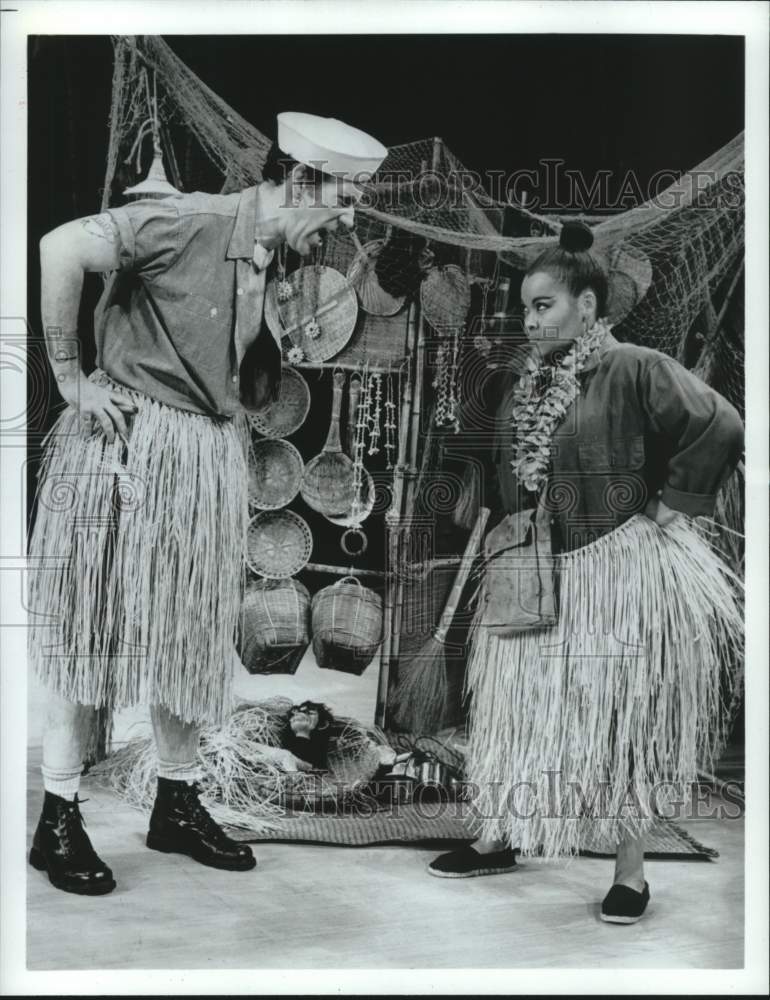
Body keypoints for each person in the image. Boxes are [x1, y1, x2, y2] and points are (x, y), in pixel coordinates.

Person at [27, 111, 387, 895]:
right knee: (91, 624)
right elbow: (60, 246)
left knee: (186, 629)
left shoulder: (270, 256)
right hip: (126, 442)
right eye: (346, 198)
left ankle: (176, 800)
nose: (349, 218)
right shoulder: (185, 220)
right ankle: (58, 816)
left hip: (203, 453)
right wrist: (68, 379)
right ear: (301, 181)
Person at [428, 221, 744, 924]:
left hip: (614, 573)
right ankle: (500, 833)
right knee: (513, 706)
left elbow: (718, 423)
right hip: (536, 566)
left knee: (620, 715)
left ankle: (630, 874)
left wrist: (669, 507)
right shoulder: (526, 380)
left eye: (543, 306)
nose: (529, 321)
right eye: (525, 309)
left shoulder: (635, 366)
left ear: (589, 309)